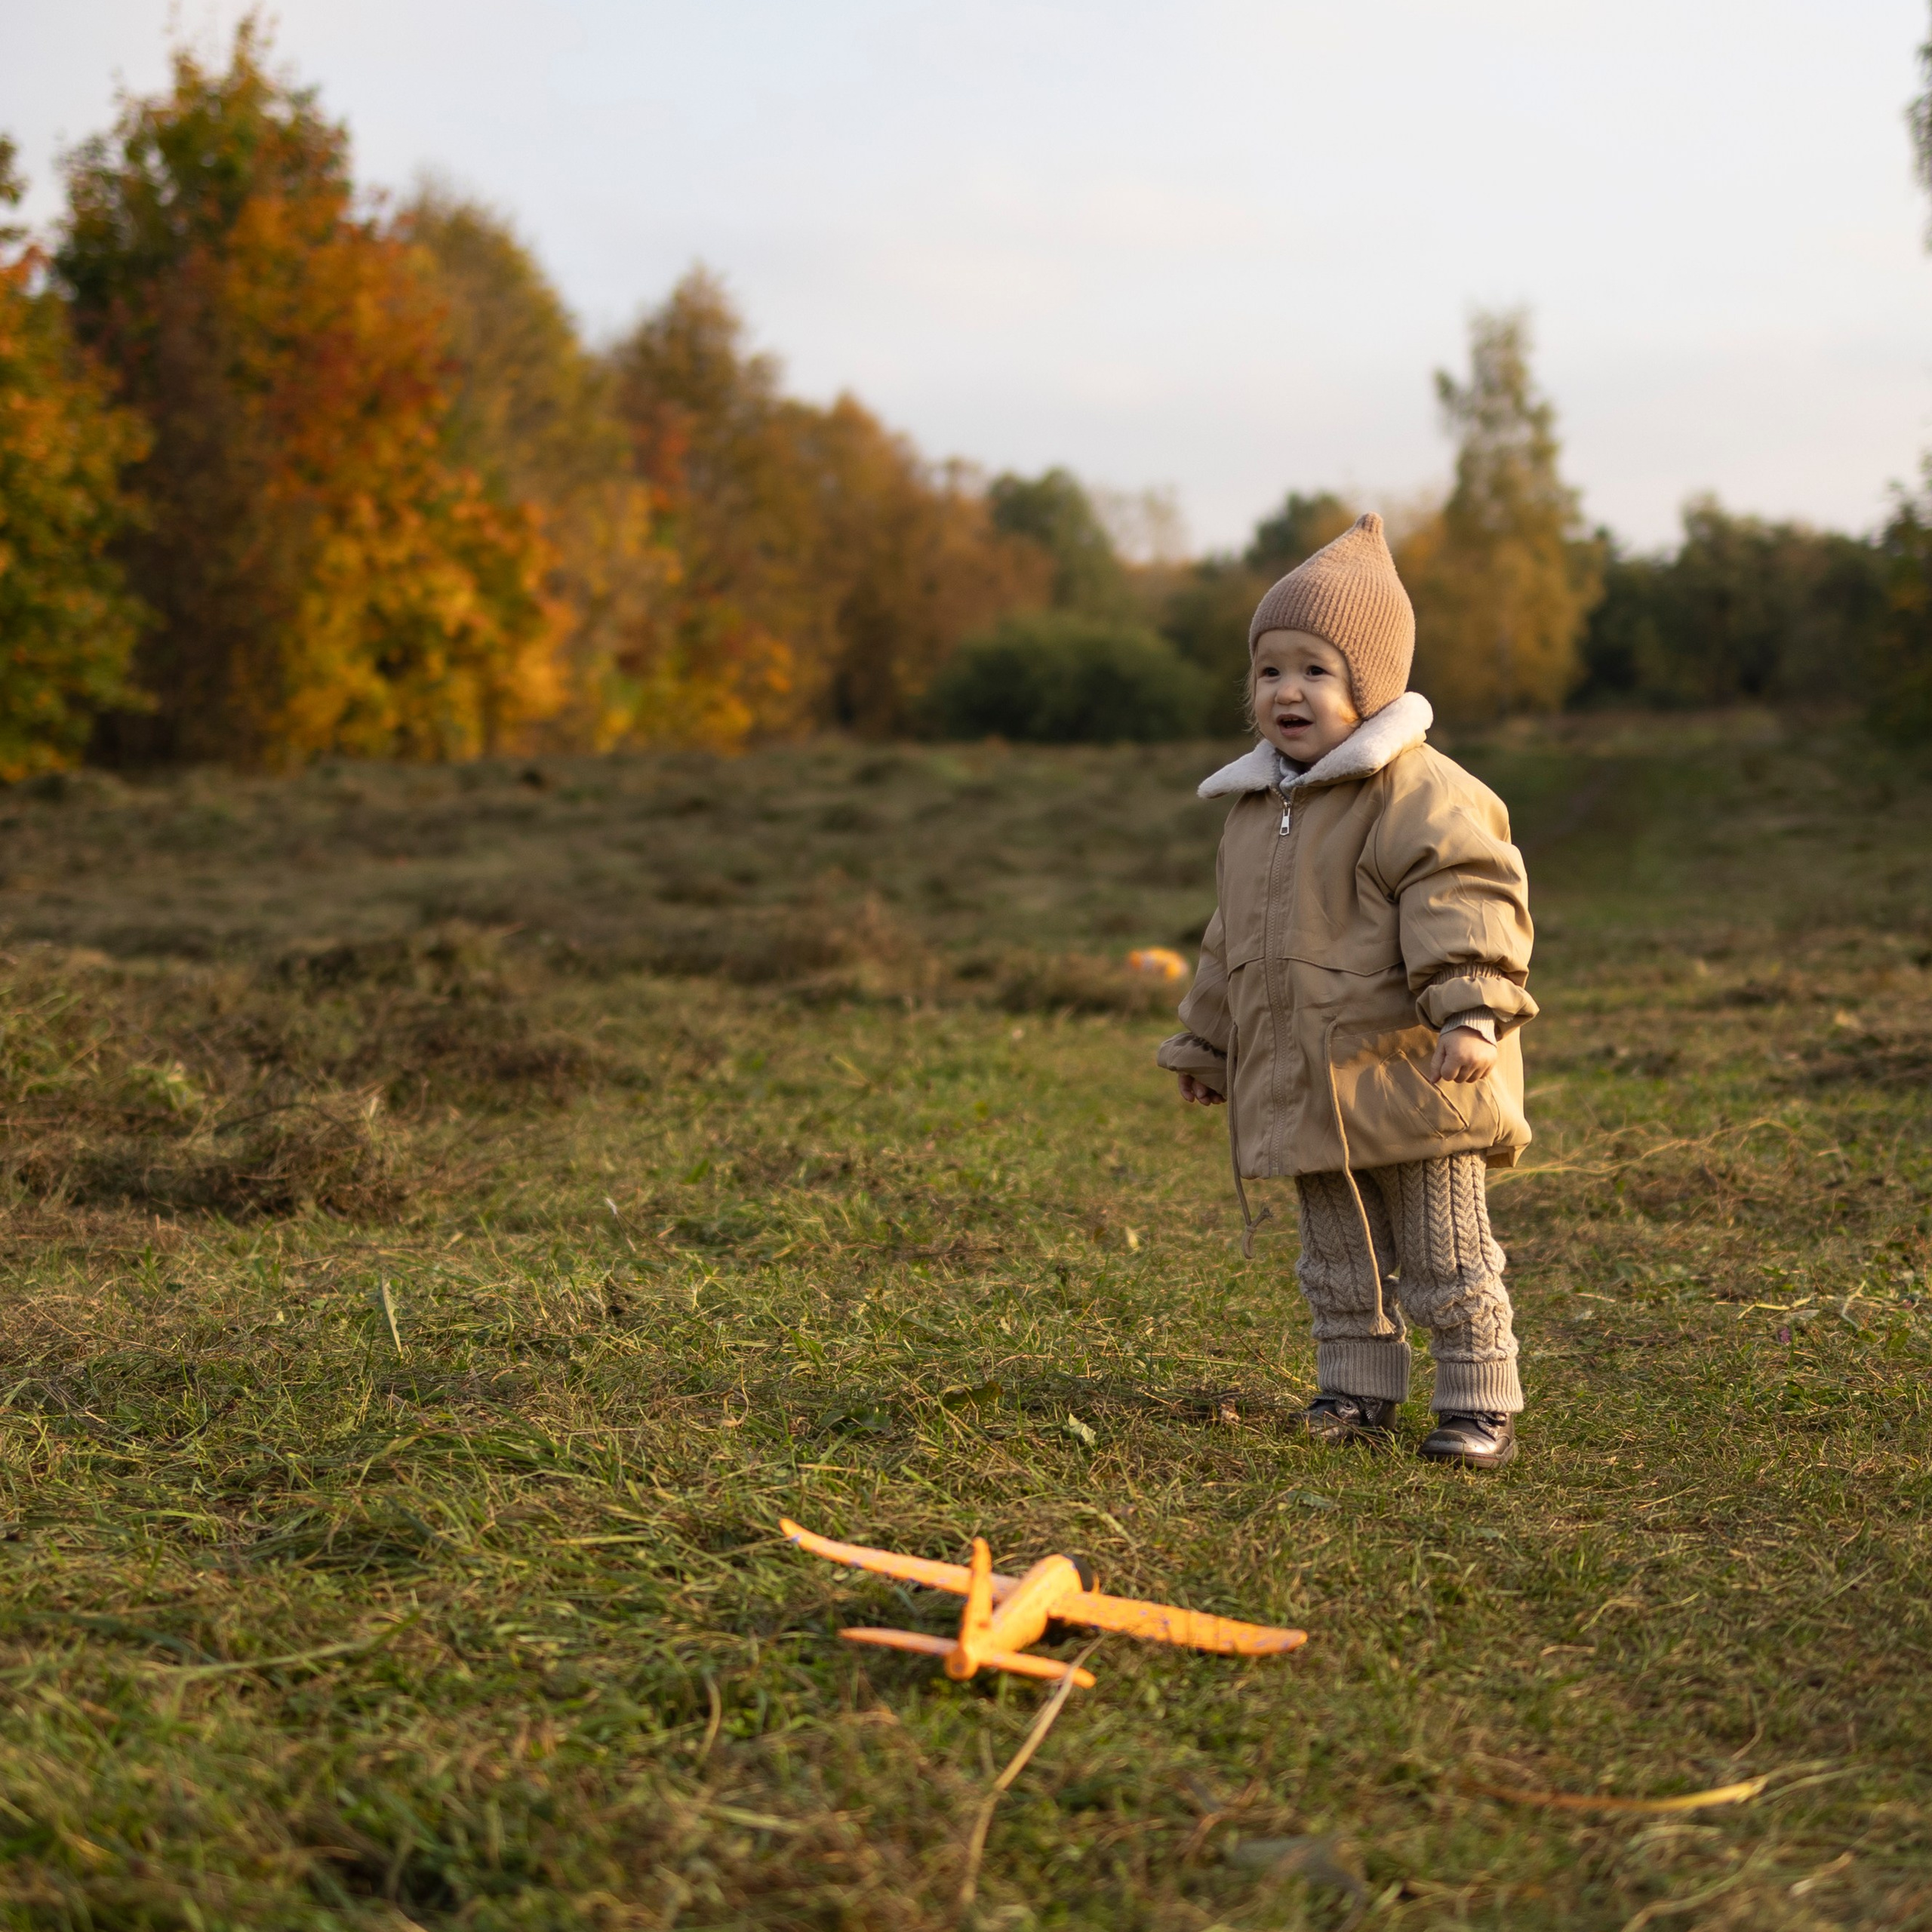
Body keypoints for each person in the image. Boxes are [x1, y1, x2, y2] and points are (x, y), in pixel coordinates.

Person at [1156, 512, 1536, 1470]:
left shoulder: (1417, 789)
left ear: (1370, 687)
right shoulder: (1253, 810)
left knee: (1446, 1253)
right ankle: (1356, 1390)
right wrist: (1207, 1045)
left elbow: (1465, 893)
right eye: (1269, 670)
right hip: (1305, 1080)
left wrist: (1469, 1011)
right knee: (1336, 1258)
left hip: (1416, 1072)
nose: (1286, 690)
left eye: (1315, 669)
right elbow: (1228, 938)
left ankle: (1478, 1398)